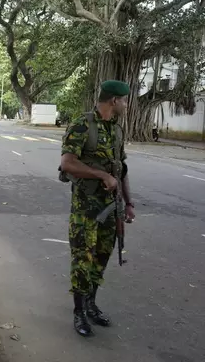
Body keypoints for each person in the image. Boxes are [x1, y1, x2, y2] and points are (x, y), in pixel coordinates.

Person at [59, 80, 136, 337]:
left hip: (110, 207)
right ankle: (78, 312)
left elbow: (121, 169)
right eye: (124, 100)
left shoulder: (117, 130)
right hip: (85, 209)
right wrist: (100, 175)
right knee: (83, 260)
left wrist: (129, 202)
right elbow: (67, 164)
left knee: (101, 258)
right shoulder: (82, 125)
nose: (126, 105)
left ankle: (91, 304)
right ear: (114, 101)